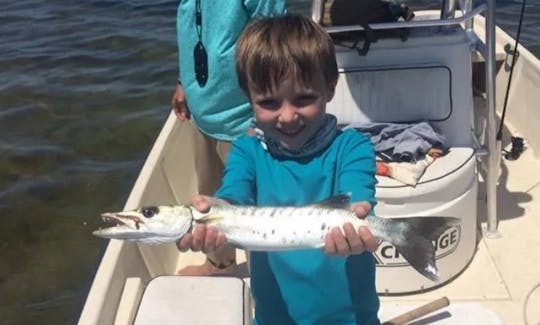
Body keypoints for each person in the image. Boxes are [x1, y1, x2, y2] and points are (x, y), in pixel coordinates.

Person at [177, 14, 380, 324]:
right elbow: (234, 193)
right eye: (269, 103)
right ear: (249, 99)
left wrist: (358, 214)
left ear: (330, 87)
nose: (287, 116)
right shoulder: (247, 151)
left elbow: (357, 199)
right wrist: (215, 212)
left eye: (303, 99)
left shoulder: (352, 147)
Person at [172, 1, 286, 275]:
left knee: (253, 205)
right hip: (204, 117)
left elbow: (274, 45)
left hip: (244, 122)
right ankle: (218, 263)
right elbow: (192, 35)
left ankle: (267, 274)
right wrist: (182, 83)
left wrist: (264, 115)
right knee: (211, 199)